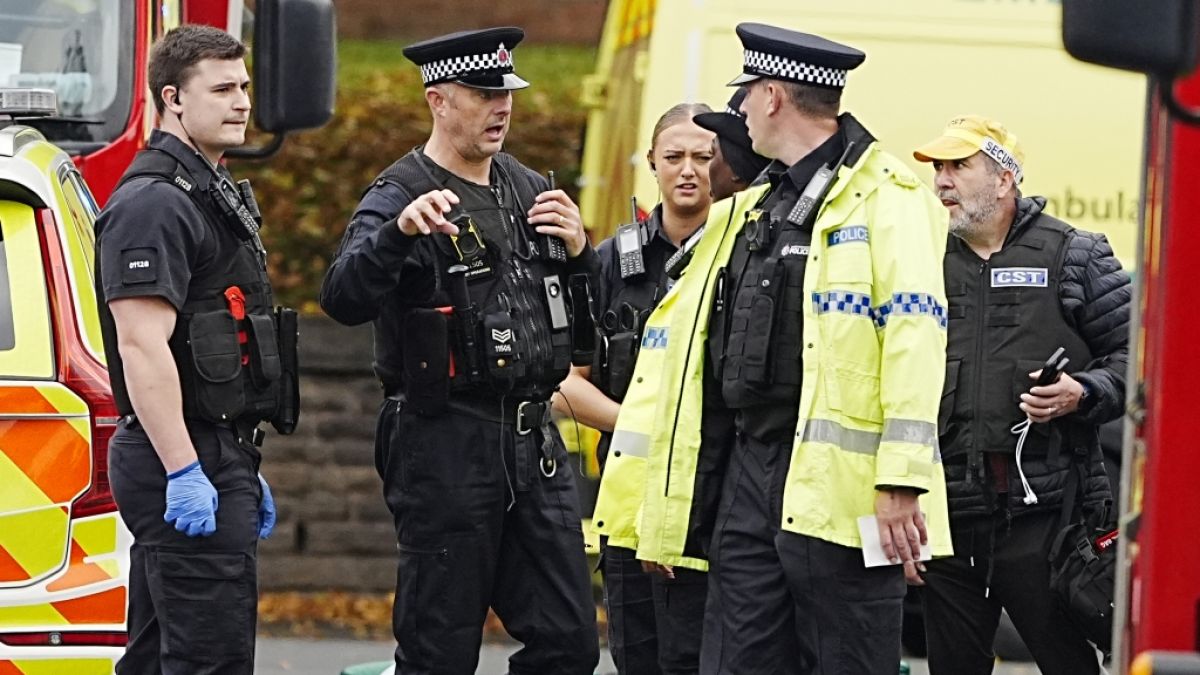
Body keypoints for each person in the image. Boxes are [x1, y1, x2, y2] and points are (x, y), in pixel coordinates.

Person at [627, 22, 954, 675]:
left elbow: (917, 336)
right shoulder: (756, 206)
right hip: (751, 469)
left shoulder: (887, 198)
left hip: (848, 492)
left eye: (745, 95)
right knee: (736, 658)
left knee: (848, 657)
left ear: (773, 95)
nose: (739, 111)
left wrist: (900, 480)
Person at [319, 27, 600, 675]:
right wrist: (396, 236)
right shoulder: (399, 194)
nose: (501, 106)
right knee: (439, 649)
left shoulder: (530, 188)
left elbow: (589, 321)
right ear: (438, 99)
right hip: (445, 442)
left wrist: (583, 253)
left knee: (569, 642)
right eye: (481, 93)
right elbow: (342, 296)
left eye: (506, 93)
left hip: (533, 445)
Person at [95, 24, 294, 675]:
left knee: (159, 658)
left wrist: (229, 458)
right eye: (224, 89)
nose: (242, 102)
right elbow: (141, 344)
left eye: (244, 87)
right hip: (179, 457)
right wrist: (186, 469)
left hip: (210, 449)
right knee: (211, 659)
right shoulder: (155, 204)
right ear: (173, 98)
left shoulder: (205, 192)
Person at [911, 115, 1129, 675]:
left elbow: (1140, 355)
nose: (942, 181)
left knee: (1068, 666)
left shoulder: (1075, 254)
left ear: (1004, 179)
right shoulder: (919, 263)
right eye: (938, 169)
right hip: (950, 514)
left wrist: (1083, 391)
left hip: (1048, 519)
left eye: (959, 166)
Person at [555, 101, 721, 675]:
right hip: (629, 506)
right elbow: (564, 385)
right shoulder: (609, 264)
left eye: (704, 157)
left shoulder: (742, 256)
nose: (688, 170)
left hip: (714, 506)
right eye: (674, 156)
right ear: (651, 161)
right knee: (638, 659)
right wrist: (643, 426)